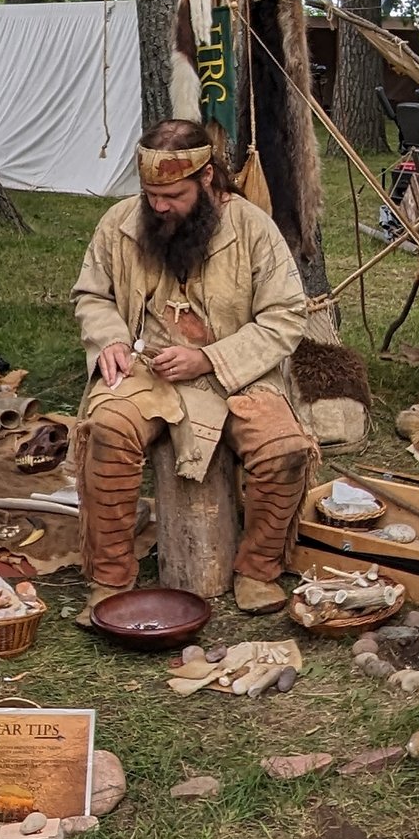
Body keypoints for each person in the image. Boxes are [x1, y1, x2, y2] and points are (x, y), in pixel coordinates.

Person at [72, 120, 316, 618]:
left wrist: (209, 357)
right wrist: (110, 339)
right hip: (147, 369)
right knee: (108, 432)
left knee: (284, 450)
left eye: (173, 194)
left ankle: (258, 569)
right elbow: (92, 295)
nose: (159, 205)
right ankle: (110, 578)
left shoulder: (253, 229)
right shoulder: (119, 224)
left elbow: (287, 314)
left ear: (207, 179)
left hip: (236, 371)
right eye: (150, 193)